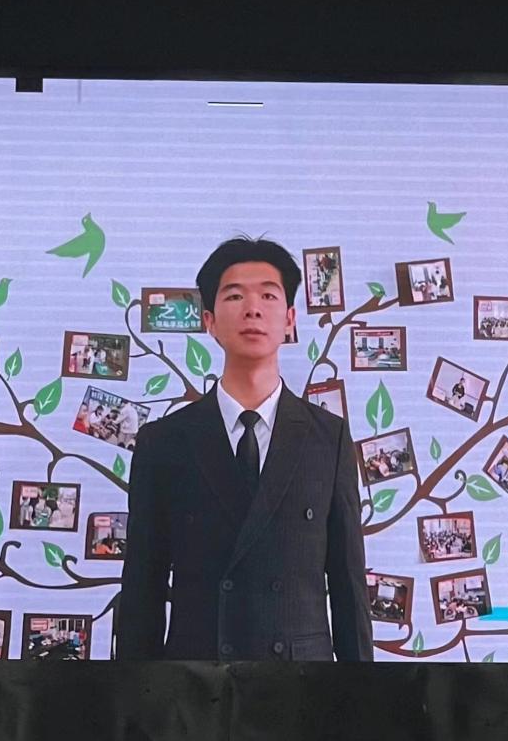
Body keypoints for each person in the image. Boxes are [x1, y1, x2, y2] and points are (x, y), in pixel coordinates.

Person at [118, 235, 372, 662]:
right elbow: (142, 589)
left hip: (302, 686)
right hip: (196, 683)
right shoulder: (163, 442)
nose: (252, 309)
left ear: (289, 319)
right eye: (234, 296)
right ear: (210, 321)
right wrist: (134, 696)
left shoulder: (328, 438)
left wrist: (362, 694)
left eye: (268, 296)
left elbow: (349, 587)